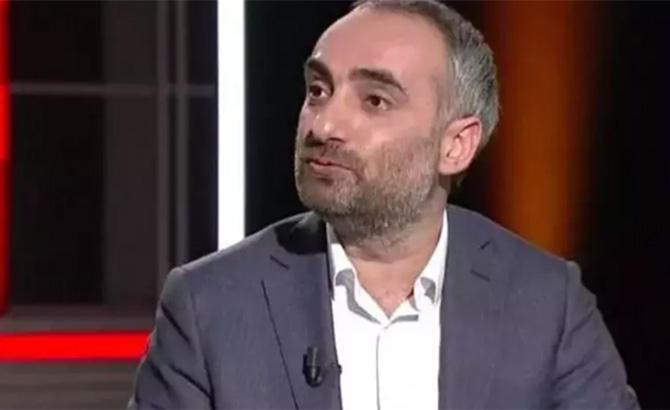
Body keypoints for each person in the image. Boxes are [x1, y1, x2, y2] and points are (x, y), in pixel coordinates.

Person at [129, 0, 639, 408]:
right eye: (318, 90)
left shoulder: (546, 304)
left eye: (375, 100)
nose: (324, 125)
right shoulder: (209, 306)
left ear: (456, 145)